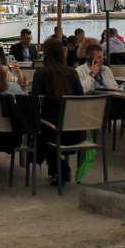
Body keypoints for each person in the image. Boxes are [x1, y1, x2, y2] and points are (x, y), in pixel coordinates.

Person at [32, 38, 84, 186]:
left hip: (54, 130)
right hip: (75, 129)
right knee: (45, 128)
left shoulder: (42, 73)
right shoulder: (72, 73)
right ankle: (57, 169)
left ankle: (58, 168)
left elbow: (36, 102)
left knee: (39, 129)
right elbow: (79, 99)